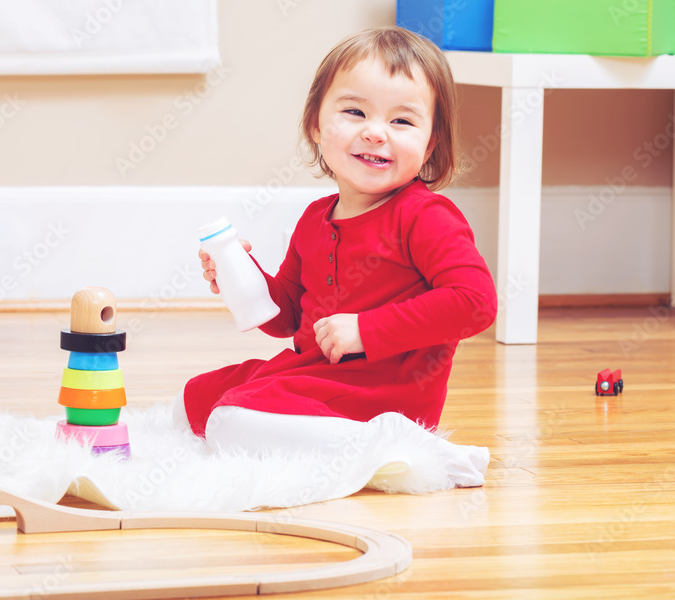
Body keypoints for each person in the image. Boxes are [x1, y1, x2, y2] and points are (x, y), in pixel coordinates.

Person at [175, 26, 497, 490]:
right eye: (354, 111)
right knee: (191, 402)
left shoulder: (425, 216)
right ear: (316, 126)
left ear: (430, 145)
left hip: (384, 389)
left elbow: (475, 302)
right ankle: (329, 441)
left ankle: (409, 452)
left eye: (402, 121)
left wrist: (367, 330)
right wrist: (244, 279)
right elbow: (286, 317)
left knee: (230, 424)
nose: (374, 132)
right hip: (318, 373)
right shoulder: (314, 218)